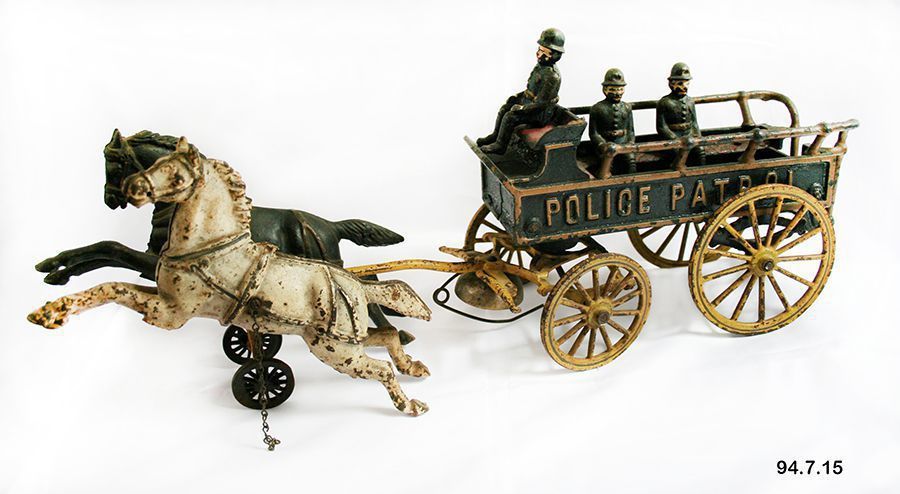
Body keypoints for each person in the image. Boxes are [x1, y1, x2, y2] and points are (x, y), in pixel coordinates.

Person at [478, 28, 565, 155]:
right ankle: (496, 136)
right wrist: (517, 96)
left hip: (540, 114)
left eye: (544, 52)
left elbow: (541, 104)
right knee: (505, 108)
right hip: (530, 104)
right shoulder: (540, 67)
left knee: (510, 116)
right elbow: (531, 90)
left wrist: (522, 108)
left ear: (554, 55)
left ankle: (501, 145)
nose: (539, 54)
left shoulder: (552, 76)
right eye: (539, 50)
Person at [656, 62, 705, 165]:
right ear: (671, 84)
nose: (684, 87)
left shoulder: (690, 101)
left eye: (687, 83)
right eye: (680, 83)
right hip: (674, 136)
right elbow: (662, 127)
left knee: (700, 151)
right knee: (676, 153)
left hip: (689, 134)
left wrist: (698, 138)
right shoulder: (664, 102)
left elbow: (694, 123)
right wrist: (674, 138)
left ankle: (701, 171)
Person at [589, 68, 636, 174]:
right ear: (605, 89)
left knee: (631, 161)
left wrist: (630, 144)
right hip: (606, 143)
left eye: (620, 89)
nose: (617, 93)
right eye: (613, 89)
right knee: (606, 163)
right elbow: (594, 133)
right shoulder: (597, 108)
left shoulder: (627, 107)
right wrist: (602, 144)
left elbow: (631, 130)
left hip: (623, 143)